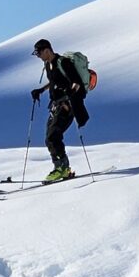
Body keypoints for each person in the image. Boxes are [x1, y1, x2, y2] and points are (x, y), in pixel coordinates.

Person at [30, 38, 89, 182]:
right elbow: (55, 81)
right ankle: (61, 168)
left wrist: (70, 97)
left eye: (39, 53)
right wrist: (41, 90)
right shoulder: (48, 64)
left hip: (66, 105)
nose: (38, 56)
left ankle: (62, 168)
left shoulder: (63, 62)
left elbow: (76, 82)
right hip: (56, 104)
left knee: (53, 135)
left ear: (47, 50)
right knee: (49, 137)